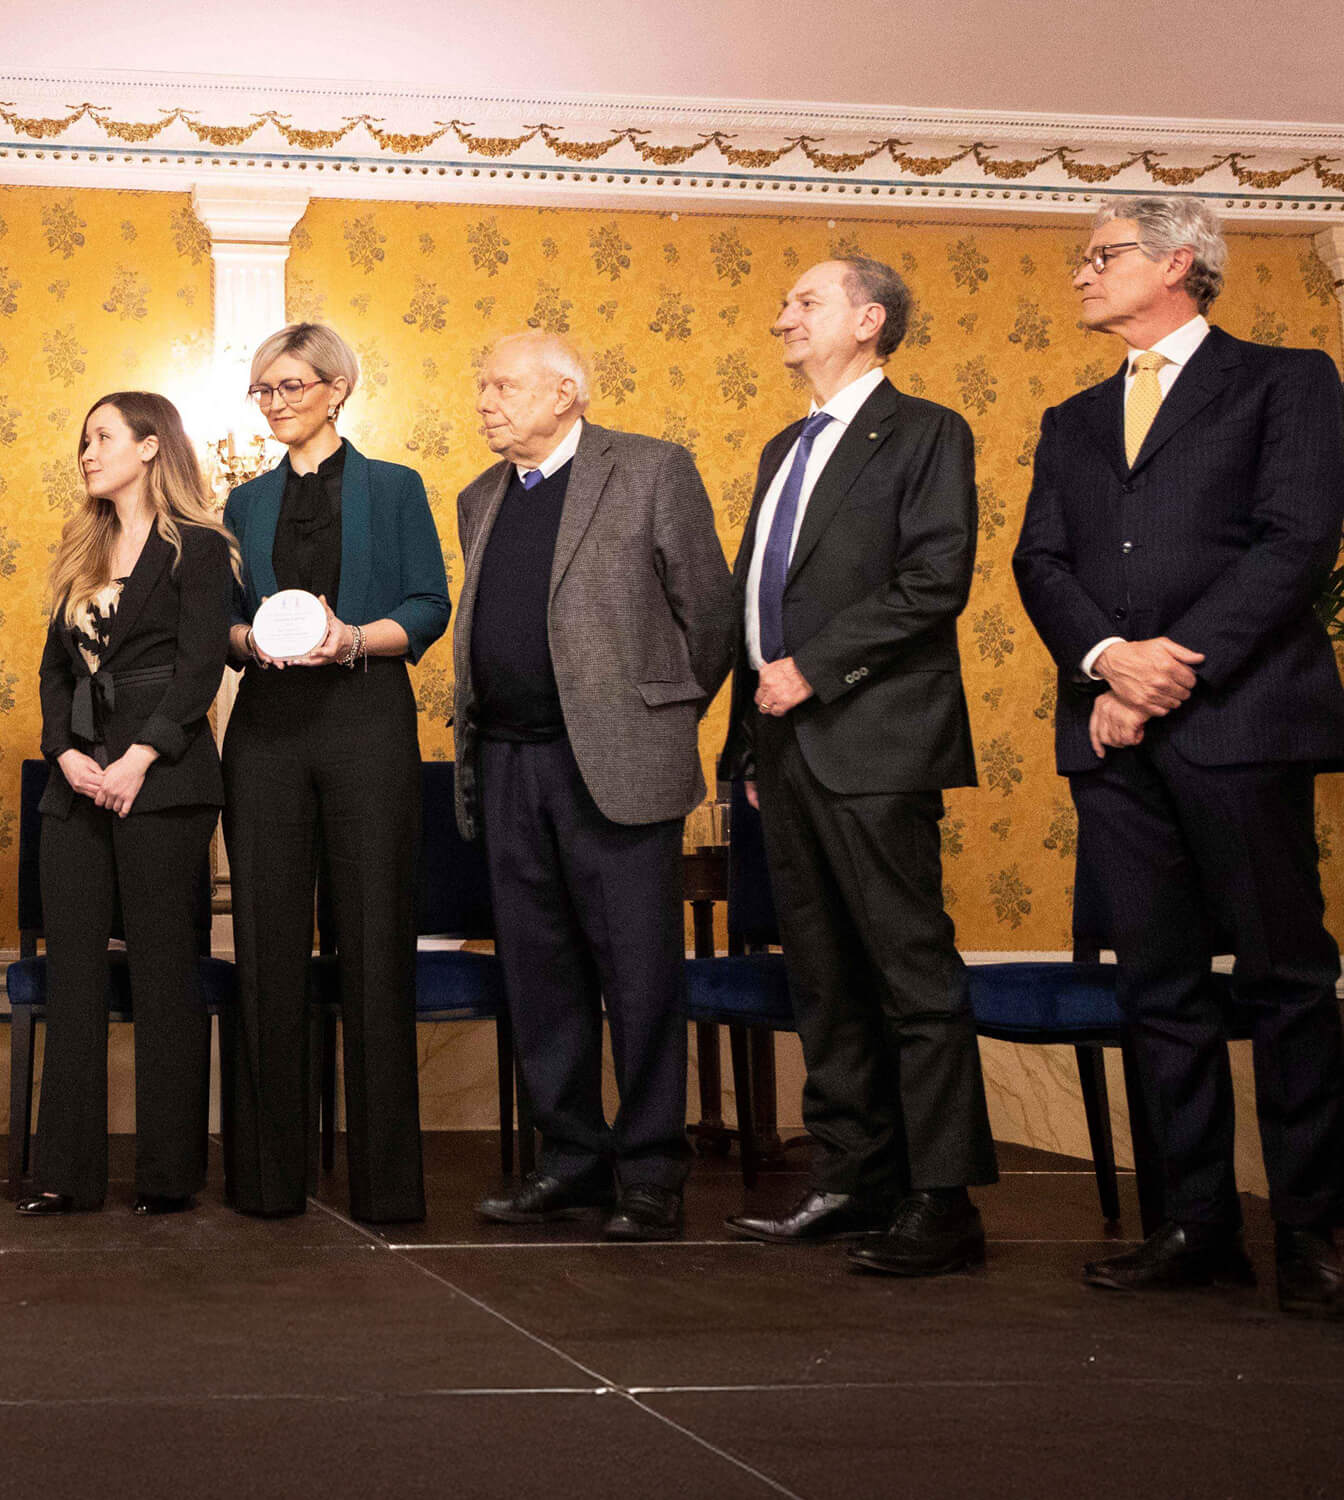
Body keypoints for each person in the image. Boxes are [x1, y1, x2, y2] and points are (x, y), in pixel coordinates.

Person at [1012, 197, 1344, 1317]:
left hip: (1241, 725)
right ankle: (1197, 1226)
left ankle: (1312, 1233)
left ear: (1180, 263)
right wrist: (1108, 664)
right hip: (1113, 737)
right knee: (1158, 987)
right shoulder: (1071, 419)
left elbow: (1296, 540)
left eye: (1100, 255)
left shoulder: (1285, 381)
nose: (1081, 273)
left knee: (1285, 980)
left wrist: (1168, 670)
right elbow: (1041, 561)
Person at [719, 257, 998, 1276]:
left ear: (870, 320)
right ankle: (851, 1178)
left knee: (909, 973)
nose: (782, 317)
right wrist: (746, 743)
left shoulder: (926, 432)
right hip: (784, 748)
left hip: (877, 739)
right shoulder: (782, 447)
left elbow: (935, 579)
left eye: (806, 302)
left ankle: (942, 1200)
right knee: (823, 976)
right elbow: (760, 599)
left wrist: (815, 670)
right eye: (785, 302)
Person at [449, 333, 734, 1241]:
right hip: (506, 764)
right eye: (483, 387)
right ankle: (570, 1161)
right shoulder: (479, 496)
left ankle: (650, 1173)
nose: (485, 402)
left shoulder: (650, 469)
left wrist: (656, 720)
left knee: (640, 976)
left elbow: (711, 617)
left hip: (615, 767)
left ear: (565, 393)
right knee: (539, 977)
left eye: (503, 386)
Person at [221, 322, 450, 1224]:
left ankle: (387, 1189)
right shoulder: (242, 502)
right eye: (263, 390)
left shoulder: (396, 487)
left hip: (367, 724)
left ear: (337, 389)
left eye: (291, 386)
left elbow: (428, 606)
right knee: (266, 950)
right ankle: (266, 1182)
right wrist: (252, 642)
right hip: (266, 734)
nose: (275, 403)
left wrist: (351, 638)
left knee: (376, 947)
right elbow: (223, 621)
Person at [19, 393, 237, 1217]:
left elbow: (199, 667)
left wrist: (141, 757)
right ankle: (64, 1175)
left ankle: (167, 1175)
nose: (87, 452)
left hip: (167, 783)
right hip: (76, 784)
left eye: (102, 437)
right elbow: (55, 671)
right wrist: (65, 754)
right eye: (83, 440)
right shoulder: (81, 547)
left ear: (150, 447)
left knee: (163, 975)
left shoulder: (200, 547)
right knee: (72, 976)